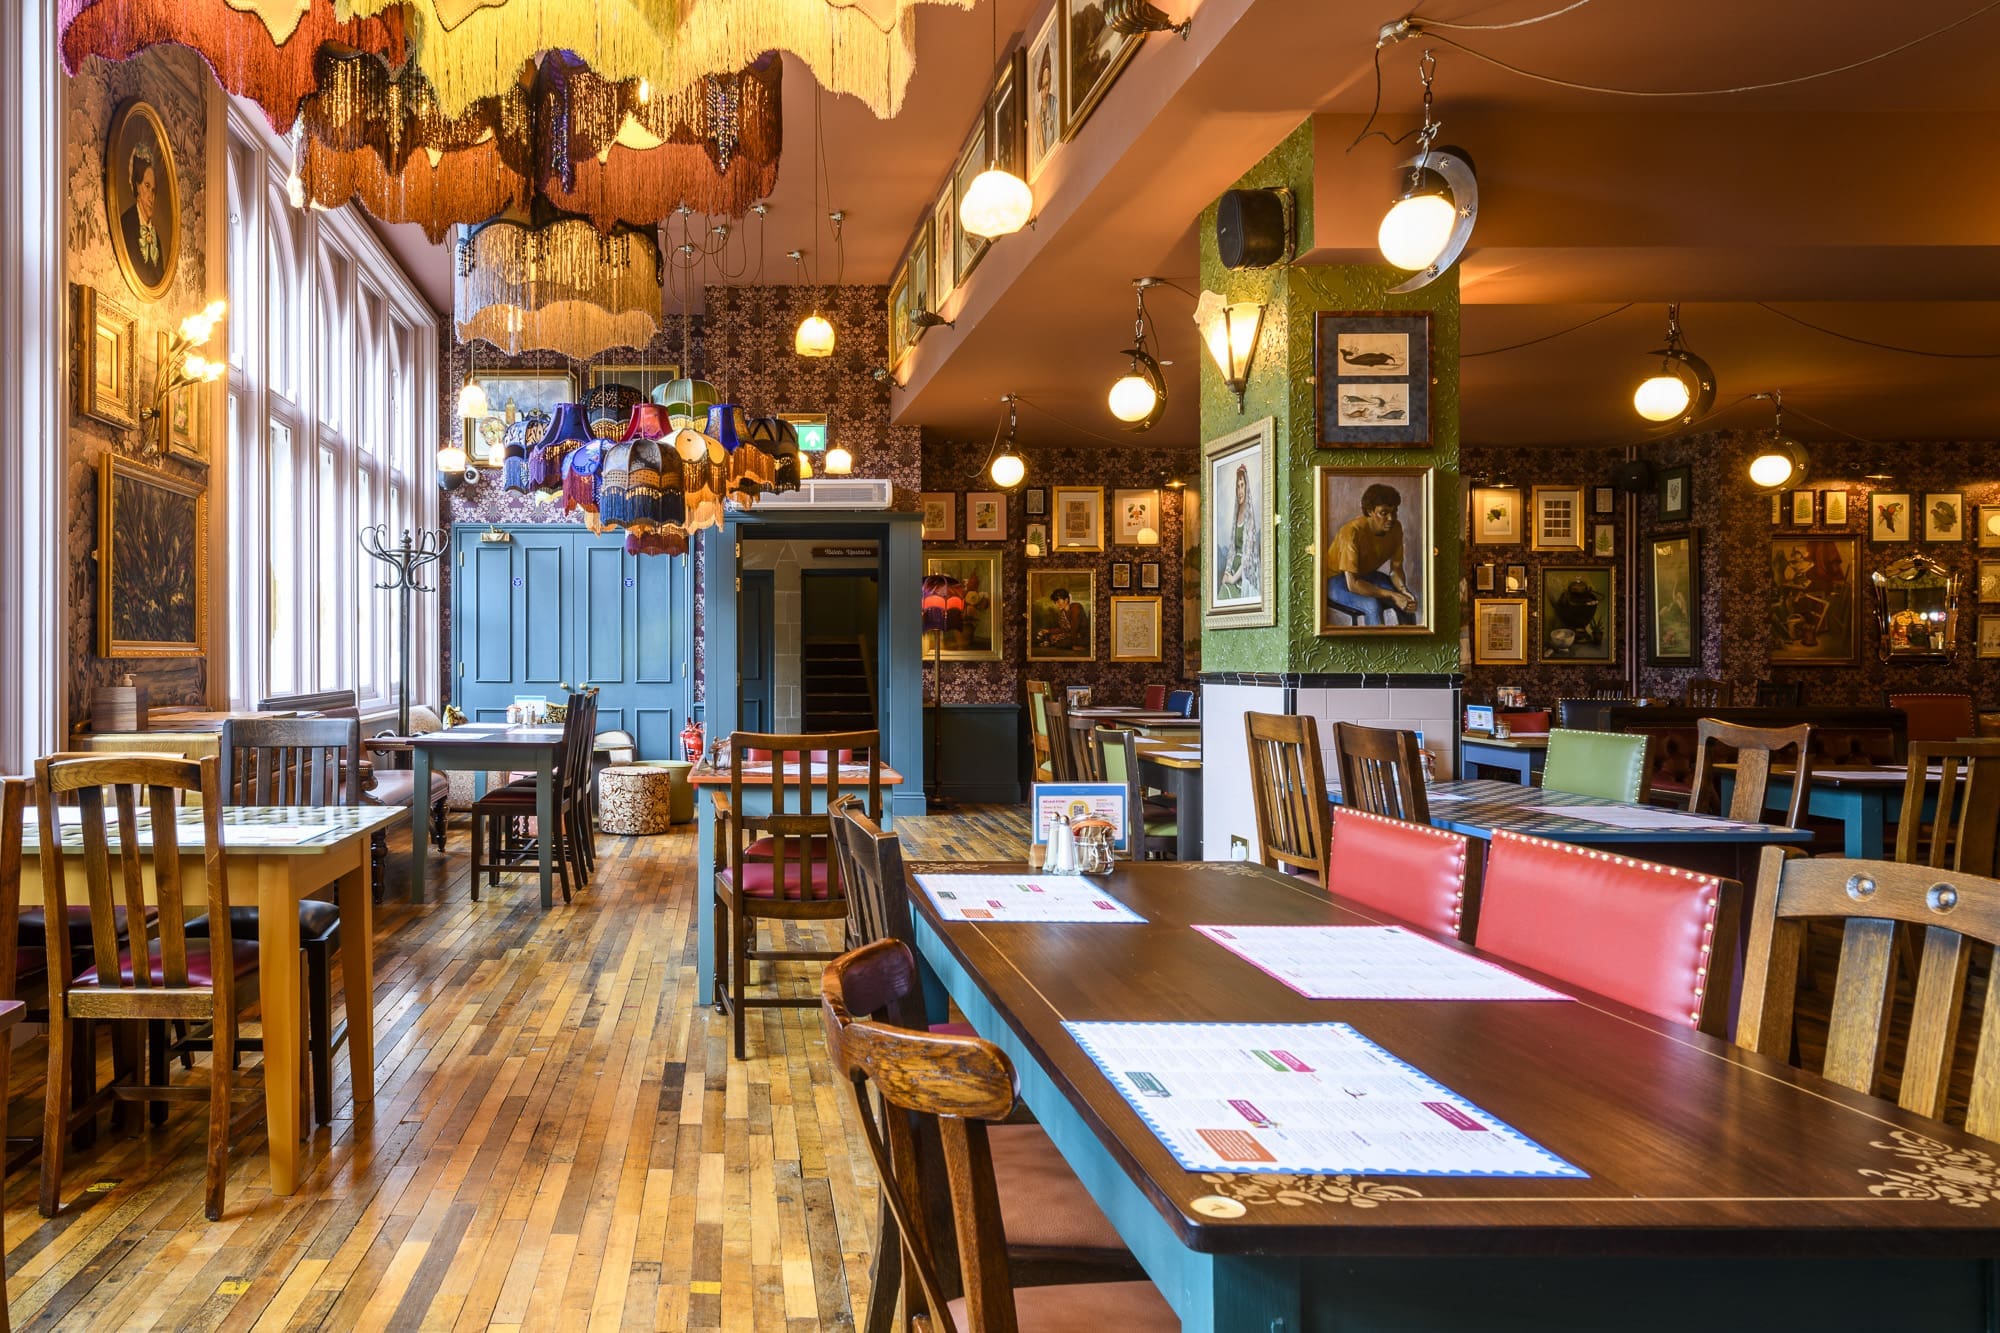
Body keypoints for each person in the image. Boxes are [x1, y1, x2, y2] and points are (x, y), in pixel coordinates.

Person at [1326, 483, 1418, 625]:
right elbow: (1353, 585)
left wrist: (1403, 591)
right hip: (1336, 579)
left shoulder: (1395, 528)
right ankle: (1377, 647)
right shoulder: (1351, 532)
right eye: (1384, 513)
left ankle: (1412, 646)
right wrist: (1393, 595)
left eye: (1394, 512)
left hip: (1366, 575)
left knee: (1406, 602)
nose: (1391, 518)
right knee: (1372, 606)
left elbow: (1396, 568)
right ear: (1370, 511)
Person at [119, 142, 166, 290]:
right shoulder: (126, 224)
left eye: (154, 190)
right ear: (137, 186)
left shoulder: (155, 237)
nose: (151, 197)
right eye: (147, 186)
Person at [1215, 463, 1260, 602]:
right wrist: (1227, 572)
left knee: (1224, 594)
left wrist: (1233, 579)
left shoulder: (1249, 518)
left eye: (1242, 485)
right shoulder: (1236, 515)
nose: (1240, 490)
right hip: (1234, 568)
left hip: (1243, 573)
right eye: (1237, 486)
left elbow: (1248, 555)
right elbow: (1232, 550)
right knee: (1221, 591)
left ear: (1247, 487)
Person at [1035, 586, 1089, 653]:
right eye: (1055, 602)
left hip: (1081, 635)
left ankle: (1078, 646)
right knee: (1053, 637)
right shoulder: (1062, 613)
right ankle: (1072, 645)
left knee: (1061, 642)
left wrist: (1071, 641)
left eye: (1058, 601)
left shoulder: (1076, 607)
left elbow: (1075, 627)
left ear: (1066, 600)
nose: (1057, 604)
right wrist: (1048, 631)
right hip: (1071, 634)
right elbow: (1063, 629)